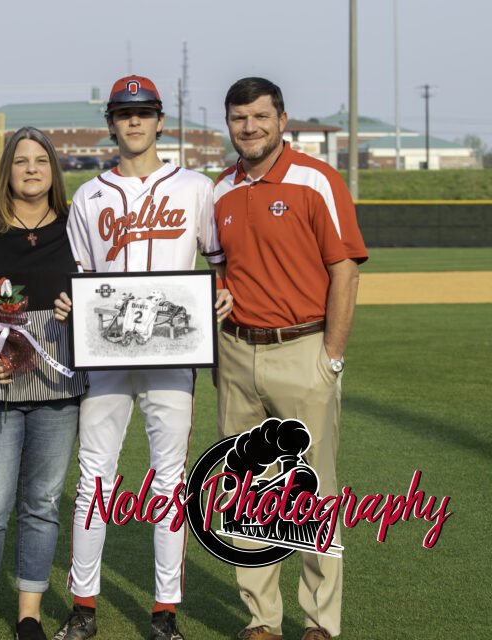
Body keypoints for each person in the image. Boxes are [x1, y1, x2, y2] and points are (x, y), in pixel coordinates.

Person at [52, 75, 232, 640]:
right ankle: (83, 607)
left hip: (173, 353)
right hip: (106, 355)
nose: (134, 121)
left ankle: (165, 613)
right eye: (124, 113)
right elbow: (80, 278)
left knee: (169, 483)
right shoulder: (89, 195)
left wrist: (220, 296)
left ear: (160, 120)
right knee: (93, 481)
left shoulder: (196, 188)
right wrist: (70, 306)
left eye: (145, 112)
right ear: (111, 122)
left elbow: (219, 262)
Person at [212, 77, 367, 640]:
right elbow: (217, 270)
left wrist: (331, 357)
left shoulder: (316, 180)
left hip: (303, 347)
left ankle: (320, 622)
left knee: (312, 492)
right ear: (226, 123)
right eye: (237, 118)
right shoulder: (220, 189)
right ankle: (262, 619)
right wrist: (216, 296)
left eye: (259, 116)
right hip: (235, 352)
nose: (248, 127)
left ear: (282, 119)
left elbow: (344, 270)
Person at [0, 127, 87, 640]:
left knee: (43, 502)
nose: (31, 169)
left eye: (40, 161)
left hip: (58, 387)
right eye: (21, 161)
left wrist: (82, 307)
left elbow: (107, 294)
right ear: (7, 171)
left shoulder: (79, 227)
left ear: (53, 171)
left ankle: (29, 612)